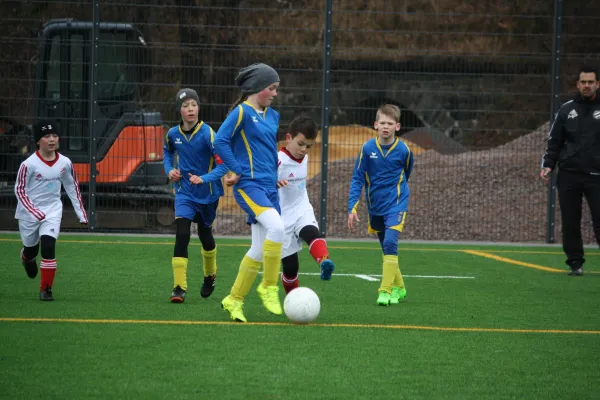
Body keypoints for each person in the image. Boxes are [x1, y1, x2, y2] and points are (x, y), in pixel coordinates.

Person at [214, 63, 284, 322]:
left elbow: (266, 149)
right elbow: (220, 141)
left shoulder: (273, 116)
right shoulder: (241, 112)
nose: (275, 94)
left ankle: (234, 299)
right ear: (257, 88)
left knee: (257, 249)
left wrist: (277, 177)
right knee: (277, 228)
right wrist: (236, 169)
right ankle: (268, 286)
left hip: (269, 187)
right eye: (272, 88)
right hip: (249, 186)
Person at [163, 88, 228, 303]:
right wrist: (169, 170)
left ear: (198, 107)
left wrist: (204, 178)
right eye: (185, 105)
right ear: (179, 110)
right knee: (182, 234)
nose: (190, 109)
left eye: (193, 104)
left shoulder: (209, 134)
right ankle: (179, 287)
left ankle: (210, 276)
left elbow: (223, 166)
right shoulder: (173, 134)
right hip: (184, 193)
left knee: (205, 237)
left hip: (208, 195)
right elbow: (167, 151)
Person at [347, 104, 414, 306]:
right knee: (387, 249)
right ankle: (400, 288)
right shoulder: (367, 149)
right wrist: (352, 206)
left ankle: (384, 291)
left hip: (397, 203)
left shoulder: (404, 150)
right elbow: (357, 178)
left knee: (391, 243)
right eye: (382, 123)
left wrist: (397, 192)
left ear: (398, 126)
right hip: (375, 206)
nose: (386, 127)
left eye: (390, 123)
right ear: (375, 125)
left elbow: (407, 172)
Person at [15, 119, 88, 301]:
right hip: (29, 213)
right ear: (38, 140)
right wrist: (34, 211)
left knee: (48, 246)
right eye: (47, 136)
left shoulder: (65, 163)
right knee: (32, 249)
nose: (52, 139)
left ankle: (46, 289)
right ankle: (27, 258)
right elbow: (20, 190)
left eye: (55, 135)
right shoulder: (28, 164)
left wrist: (81, 214)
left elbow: (73, 188)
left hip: (52, 211)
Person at [541, 66, 600, 276]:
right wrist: (548, 163)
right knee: (570, 221)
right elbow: (554, 140)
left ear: (597, 84)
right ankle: (575, 262)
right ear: (578, 84)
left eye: (590, 82)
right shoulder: (566, 110)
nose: (586, 85)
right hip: (569, 175)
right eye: (583, 82)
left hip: (596, 176)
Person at [276, 115, 335, 294]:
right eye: (300, 144)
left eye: (308, 146)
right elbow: (260, 180)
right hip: (282, 217)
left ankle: (324, 261)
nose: (304, 150)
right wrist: (273, 182)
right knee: (291, 266)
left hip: (302, 208)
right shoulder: (278, 160)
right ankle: (292, 297)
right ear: (288, 138)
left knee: (311, 232)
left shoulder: (305, 157)